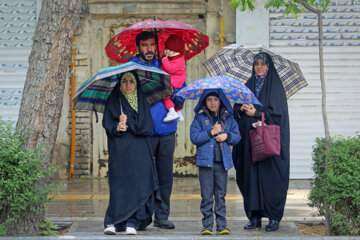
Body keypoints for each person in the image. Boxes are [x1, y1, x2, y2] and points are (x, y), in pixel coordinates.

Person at [232, 53, 290, 232]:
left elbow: (278, 115)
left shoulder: (276, 88)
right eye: (256, 64)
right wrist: (241, 109)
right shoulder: (247, 85)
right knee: (249, 178)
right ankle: (254, 217)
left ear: (269, 67)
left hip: (269, 144)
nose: (259, 67)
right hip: (250, 144)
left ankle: (273, 217)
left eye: (262, 64)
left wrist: (256, 114)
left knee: (271, 179)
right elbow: (236, 109)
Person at [128, 31, 177, 229]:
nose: (149, 49)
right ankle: (142, 216)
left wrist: (177, 94)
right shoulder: (131, 68)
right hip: (143, 132)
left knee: (165, 175)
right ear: (138, 47)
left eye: (152, 45)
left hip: (166, 129)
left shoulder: (165, 64)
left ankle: (162, 216)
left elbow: (181, 86)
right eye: (145, 45)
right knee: (143, 175)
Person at [102, 72, 158, 235]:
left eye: (131, 82)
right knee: (119, 184)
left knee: (137, 185)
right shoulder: (114, 100)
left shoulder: (142, 102)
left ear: (136, 84)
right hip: (119, 151)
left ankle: (132, 222)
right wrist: (117, 126)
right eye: (124, 81)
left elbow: (147, 126)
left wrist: (131, 123)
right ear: (119, 84)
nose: (128, 85)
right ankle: (113, 222)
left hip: (139, 151)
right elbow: (107, 123)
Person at [190, 89, 241, 235]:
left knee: (220, 194)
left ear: (221, 101)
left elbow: (237, 137)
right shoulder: (199, 119)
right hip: (205, 163)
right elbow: (194, 137)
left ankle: (221, 225)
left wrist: (227, 135)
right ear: (205, 102)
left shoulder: (228, 118)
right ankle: (207, 225)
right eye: (209, 100)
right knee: (206, 195)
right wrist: (211, 132)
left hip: (221, 162)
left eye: (215, 99)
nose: (213, 103)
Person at [161, 34, 187, 123]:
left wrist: (164, 60)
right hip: (174, 81)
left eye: (171, 50)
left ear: (177, 51)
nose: (167, 51)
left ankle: (172, 111)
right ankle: (178, 113)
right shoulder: (173, 58)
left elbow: (170, 69)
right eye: (167, 48)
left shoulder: (179, 60)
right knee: (176, 99)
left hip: (174, 82)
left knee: (164, 95)